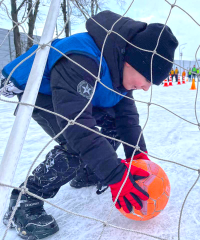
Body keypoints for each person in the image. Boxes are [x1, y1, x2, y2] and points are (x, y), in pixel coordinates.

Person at [0, 10, 178, 239]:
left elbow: (126, 119)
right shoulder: (81, 59)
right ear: (131, 61)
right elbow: (78, 128)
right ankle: (25, 201)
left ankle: (87, 173)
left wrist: (138, 156)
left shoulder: (118, 67)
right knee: (77, 144)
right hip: (43, 95)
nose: (146, 88)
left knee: (113, 127)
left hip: (78, 96)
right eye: (148, 78)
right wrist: (114, 175)